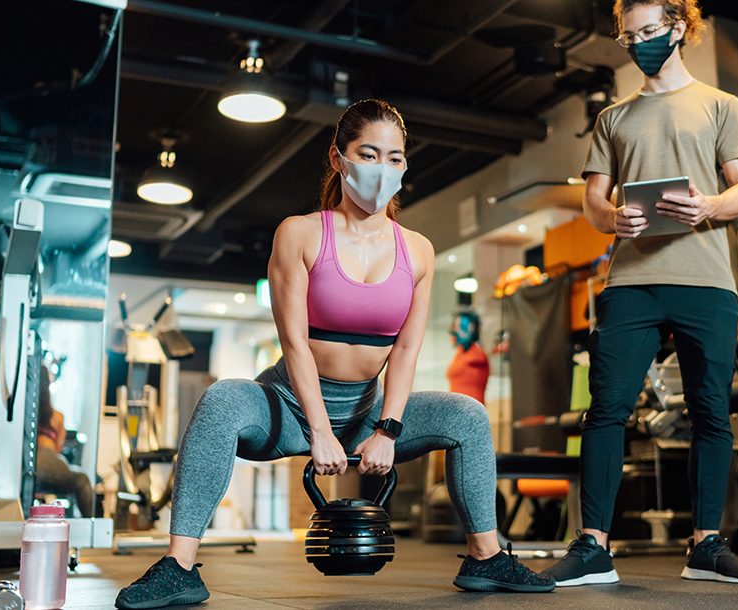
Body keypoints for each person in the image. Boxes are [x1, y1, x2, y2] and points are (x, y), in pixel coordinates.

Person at [115, 99, 553, 610]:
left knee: (468, 416)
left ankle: (485, 557)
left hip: (368, 409)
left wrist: (387, 429)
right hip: (291, 405)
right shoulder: (299, 233)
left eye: (395, 158)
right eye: (369, 154)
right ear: (338, 158)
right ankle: (179, 567)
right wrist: (319, 430)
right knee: (222, 400)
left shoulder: (418, 251)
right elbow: (294, 342)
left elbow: (408, 347)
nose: (382, 168)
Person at [544, 0, 738, 587]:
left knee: (712, 415)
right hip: (631, 282)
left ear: (679, 28)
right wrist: (610, 217)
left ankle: (706, 545)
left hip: (707, 280)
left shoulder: (722, 105)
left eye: (649, 31)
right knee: (606, 411)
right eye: (629, 34)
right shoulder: (613, 119)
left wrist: (709, 205)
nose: (639, 42)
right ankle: (593, 546)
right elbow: (595, 199)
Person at [34, 366, 95, 518]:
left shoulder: (26, 412)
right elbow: (58, 448)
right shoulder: (57, 417)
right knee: (82, 480)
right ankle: (92, 525)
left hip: (29, 462)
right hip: (48, 460)